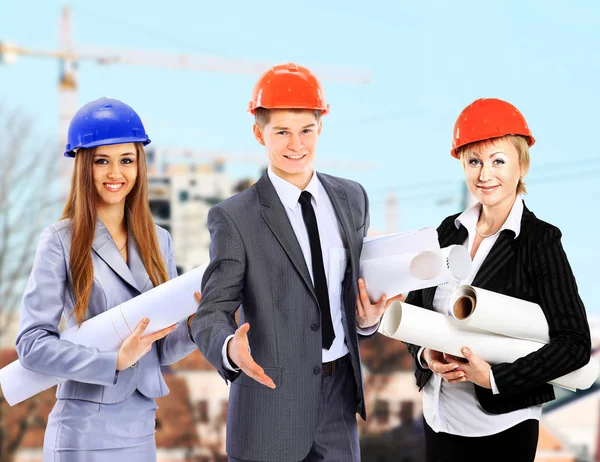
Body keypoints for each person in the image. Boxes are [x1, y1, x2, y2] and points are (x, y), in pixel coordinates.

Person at [190, 63, 400, 462]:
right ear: (258, 132)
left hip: (337, 403)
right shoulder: (236, 217)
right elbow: (210, 313)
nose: (295, 144)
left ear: (320, 127)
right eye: (281, 131)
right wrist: (230, 348)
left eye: (305, 130)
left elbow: (345, 297)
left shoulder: (352, 199)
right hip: (269, 407)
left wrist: (367, 319)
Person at [405, 98, 591, 461]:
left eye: (498, 161)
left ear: (522, 165)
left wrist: (492, 378)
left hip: (501, 427)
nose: (484, 174)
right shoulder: (448, 231)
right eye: (474, 161)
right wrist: (428, 356)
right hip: (439, 419)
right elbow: (415, 313)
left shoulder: (539, 241)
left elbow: (574, 344)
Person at [15, 98, 199, 462]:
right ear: (85, 166)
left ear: (139, 165)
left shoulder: (160, 241)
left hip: (142, 427)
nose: (116, 173)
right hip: (83, 430)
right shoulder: (60, 240)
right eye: (102, 161)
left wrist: (196, 324)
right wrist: (112, 360)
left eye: (126, 161)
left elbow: (162, 349)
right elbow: (32, 344)